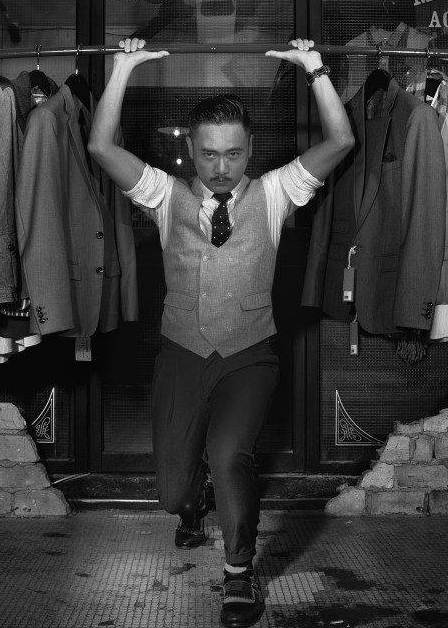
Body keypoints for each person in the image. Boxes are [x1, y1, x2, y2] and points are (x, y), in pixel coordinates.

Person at [88, 37, 354, 628]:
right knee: (172, 494)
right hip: (182, 353)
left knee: (230, 452)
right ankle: (193, 504)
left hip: (249, 355)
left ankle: (239, 574)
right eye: (209, 154)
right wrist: (122, 69)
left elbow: (340, 141)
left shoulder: (278, 192)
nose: (221, 167)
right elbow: (100, 146)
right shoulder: (164, 195)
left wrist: (316, 71)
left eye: (233, 154)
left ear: (249, 150)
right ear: (193, 150)